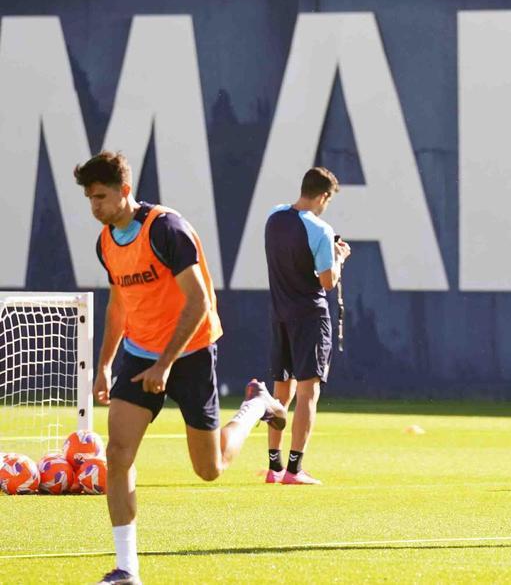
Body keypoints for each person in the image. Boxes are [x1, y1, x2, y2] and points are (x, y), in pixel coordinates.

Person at [76, 151, 286, 585]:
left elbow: (199, 303)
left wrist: (166, 364)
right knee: (117, 454)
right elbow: (119, 304)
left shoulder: (167, 230)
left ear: (125, 192)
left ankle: (255, 406)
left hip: (190, 352)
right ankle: (126, 569)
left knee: (209, 469)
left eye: (101, 197)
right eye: (89, 199)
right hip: (138, 353)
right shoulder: (105, 243)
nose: (95, 207)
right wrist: (104, 365)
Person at [263, 167, 351, 485]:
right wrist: (339, 258)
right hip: (309, 316)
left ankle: (274, 467)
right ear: (324, 196)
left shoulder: (273, 217)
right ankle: (294, 469)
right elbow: (327, 282)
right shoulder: (320, 230)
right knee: (307, 393)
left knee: (280, 393)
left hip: (279, 314)